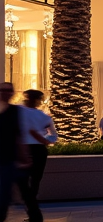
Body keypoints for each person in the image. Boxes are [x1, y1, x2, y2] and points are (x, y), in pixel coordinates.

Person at [19, 89, 56, 222]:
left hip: (34, 149)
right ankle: (33, 212)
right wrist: (44, 140)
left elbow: (53, 136)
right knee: (29, 182)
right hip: (29, 149)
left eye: (27, 97)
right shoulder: (22, 111)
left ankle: (33, 213)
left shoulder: (42, 116)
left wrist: (42, 139)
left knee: (32, 182)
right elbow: (53, 136)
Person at [0, 82, 24, 222]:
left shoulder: (15, 111)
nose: (6, 92)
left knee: (4, 195)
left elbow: (18, 135)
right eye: (3, 90)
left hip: (8, 158)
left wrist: (24, 156)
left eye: (9, 90)